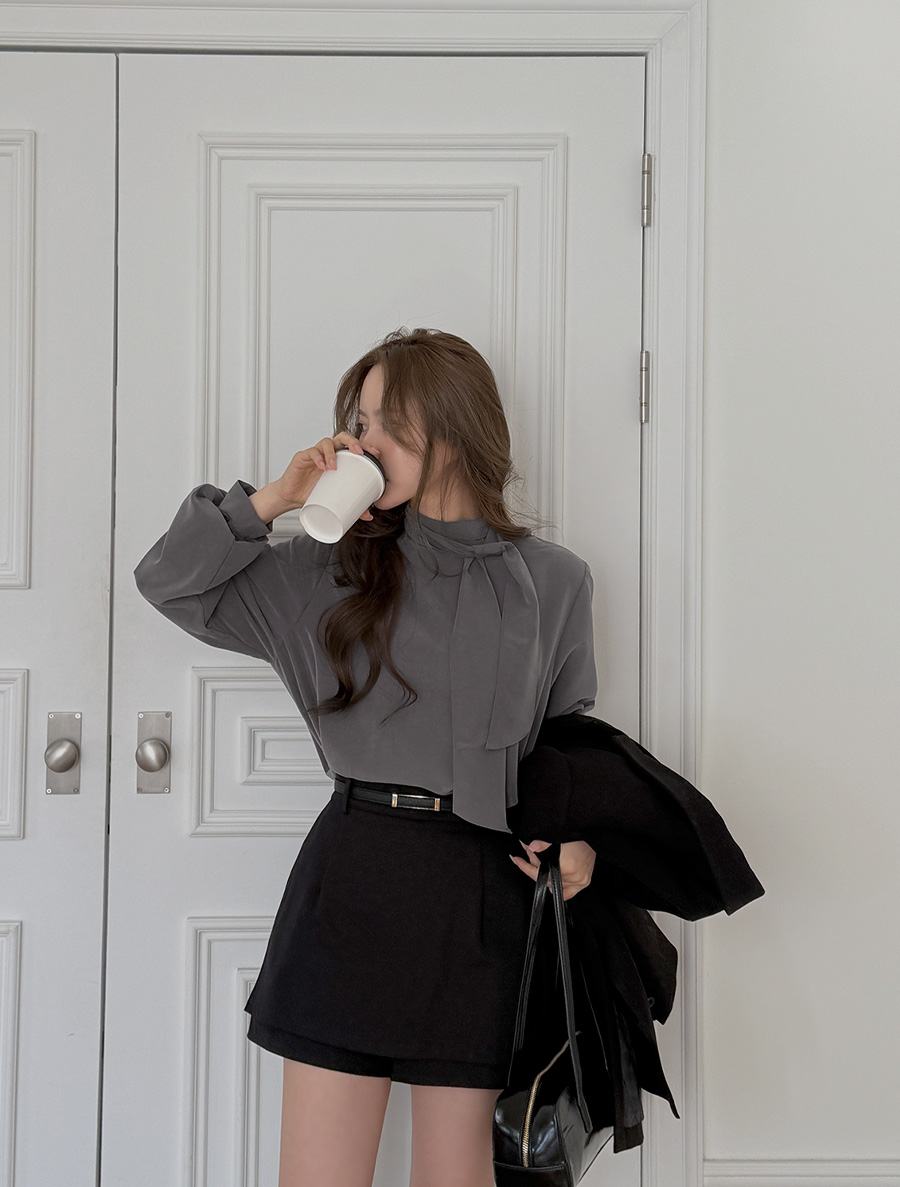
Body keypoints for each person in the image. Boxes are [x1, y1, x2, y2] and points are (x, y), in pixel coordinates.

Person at [133, 327, 599, 1187]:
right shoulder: (323, 571)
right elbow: (168, 581)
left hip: (483, 895)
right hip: (352, 885)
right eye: (359, 421)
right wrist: (275, 498)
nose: (362, 440)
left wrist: (579, 840)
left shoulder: (556, 580)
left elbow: (568, 738)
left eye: (387, 421)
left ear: (453, 425)